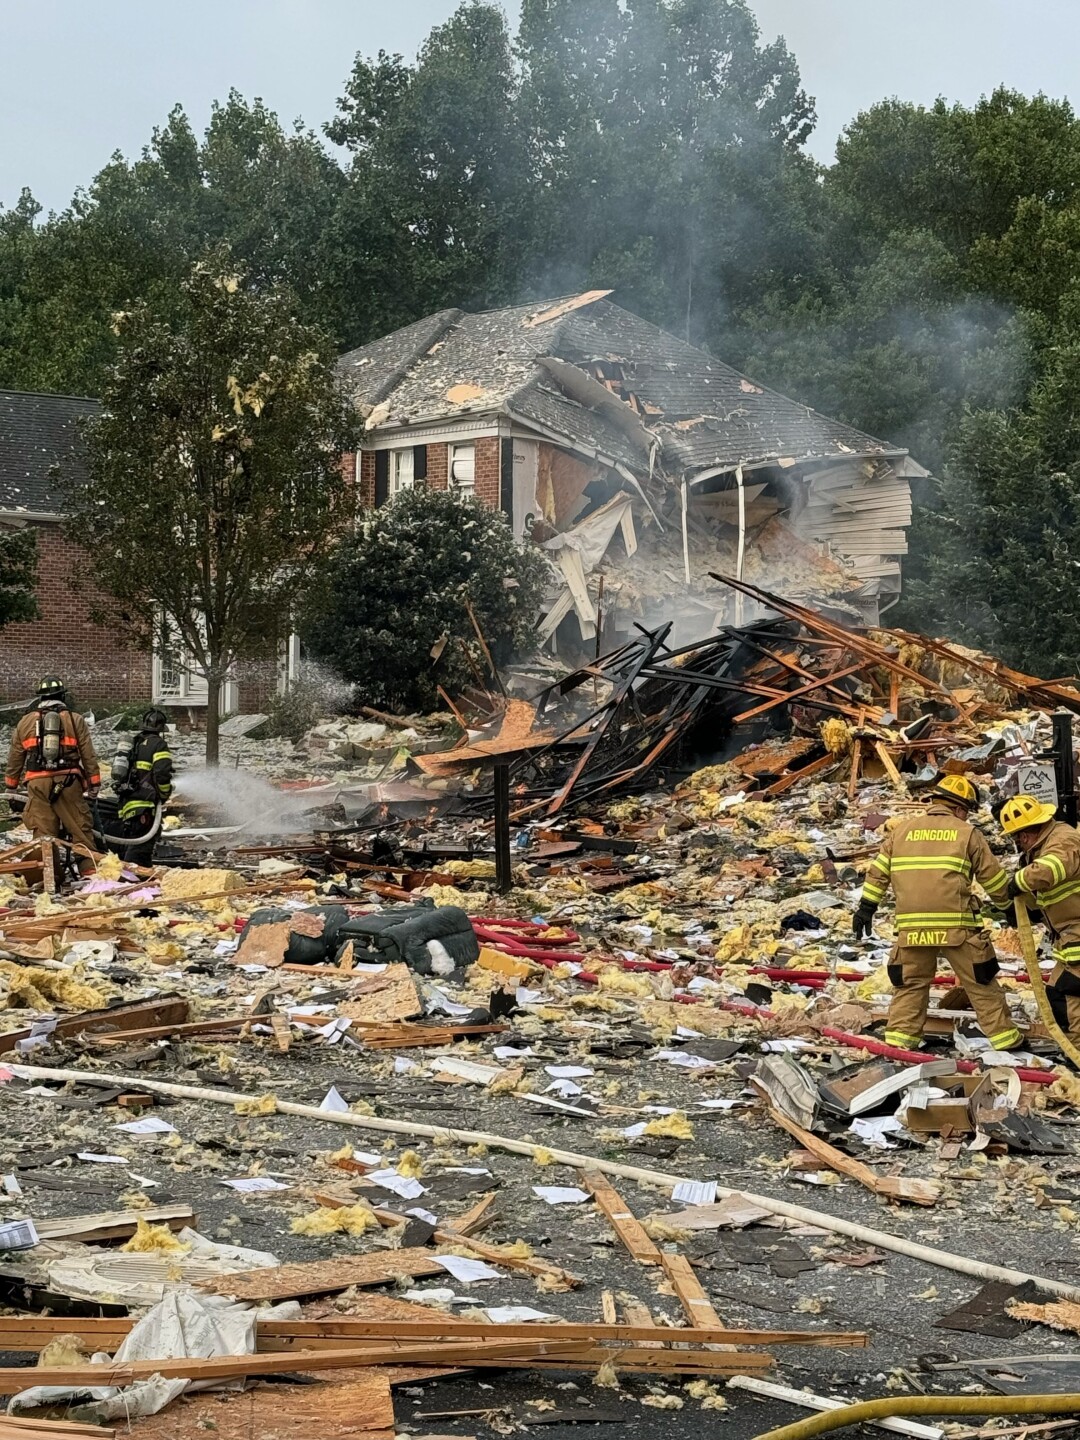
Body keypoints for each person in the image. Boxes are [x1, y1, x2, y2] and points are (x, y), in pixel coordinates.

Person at [853, 773, 1021, 1052]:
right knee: (981, 983)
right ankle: (1007, 1042)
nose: (965, 818)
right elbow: (993, 879)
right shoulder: (967, 833)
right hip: (957, 927)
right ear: (957, 808)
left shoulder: (901, 832)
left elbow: (877, 874)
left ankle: (898, 1045)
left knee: (909, 985)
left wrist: (865, 909)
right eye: (965, 811)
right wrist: (1008, 909)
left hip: (912, 929)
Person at [1000, 792, 1080, 1041]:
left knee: (1067, 994)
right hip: (1069, 936)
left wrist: (1017, 882)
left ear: (1024, 835)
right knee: (1056, 993)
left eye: (1017, 839)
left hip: (1076, 933)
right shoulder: (1044, 845)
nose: (1018, 844)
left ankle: (1077, 1052)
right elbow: (1051, 895)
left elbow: (1049, 871)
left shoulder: (1063, 839)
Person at [4, 676, 100, 862]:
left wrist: (11, 786)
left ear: (39, 698)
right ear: (63, 696)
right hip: (68, 782)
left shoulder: (25, 722)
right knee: (80, 831)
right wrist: (94, 783)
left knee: (43, 836)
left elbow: (15, 756)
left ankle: (48, 876)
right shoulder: (75, 719)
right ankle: (90, 873)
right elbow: (87, 754)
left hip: (37, 783)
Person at [114, 708, 174, 864]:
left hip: (127, 804)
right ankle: (127, 880)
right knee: (140, 849)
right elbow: (162, 773)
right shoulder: (159, 745)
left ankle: (141, 880)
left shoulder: (134, 743)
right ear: (161, 729)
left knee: (134, 845)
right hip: (145, 805)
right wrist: (164, 793)